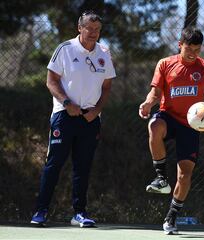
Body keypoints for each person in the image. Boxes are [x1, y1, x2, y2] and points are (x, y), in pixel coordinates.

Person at [138, 27, 204, 235]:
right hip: (168, 115)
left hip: (191, 125)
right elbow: (155, 91)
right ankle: (161, 178)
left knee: (185, 175)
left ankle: (171, 217)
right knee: (154, 126)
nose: (193, 53)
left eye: (197, 49)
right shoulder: (166, 64)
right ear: (179, 45)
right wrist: (148, 103)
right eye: (188, 48)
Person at [30, 10, 116, 227]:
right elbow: (51, 81)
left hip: (90, 119)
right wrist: (67, 104)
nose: (94, 33)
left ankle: (79, 213)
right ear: (80, 28)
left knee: (83, 167)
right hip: (64, 116)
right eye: (89, 28)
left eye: (97, 30)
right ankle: (40, 212)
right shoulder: (65, 49)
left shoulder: (104, 52)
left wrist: (97, 110)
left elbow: (107, 86)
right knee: (54, 164)